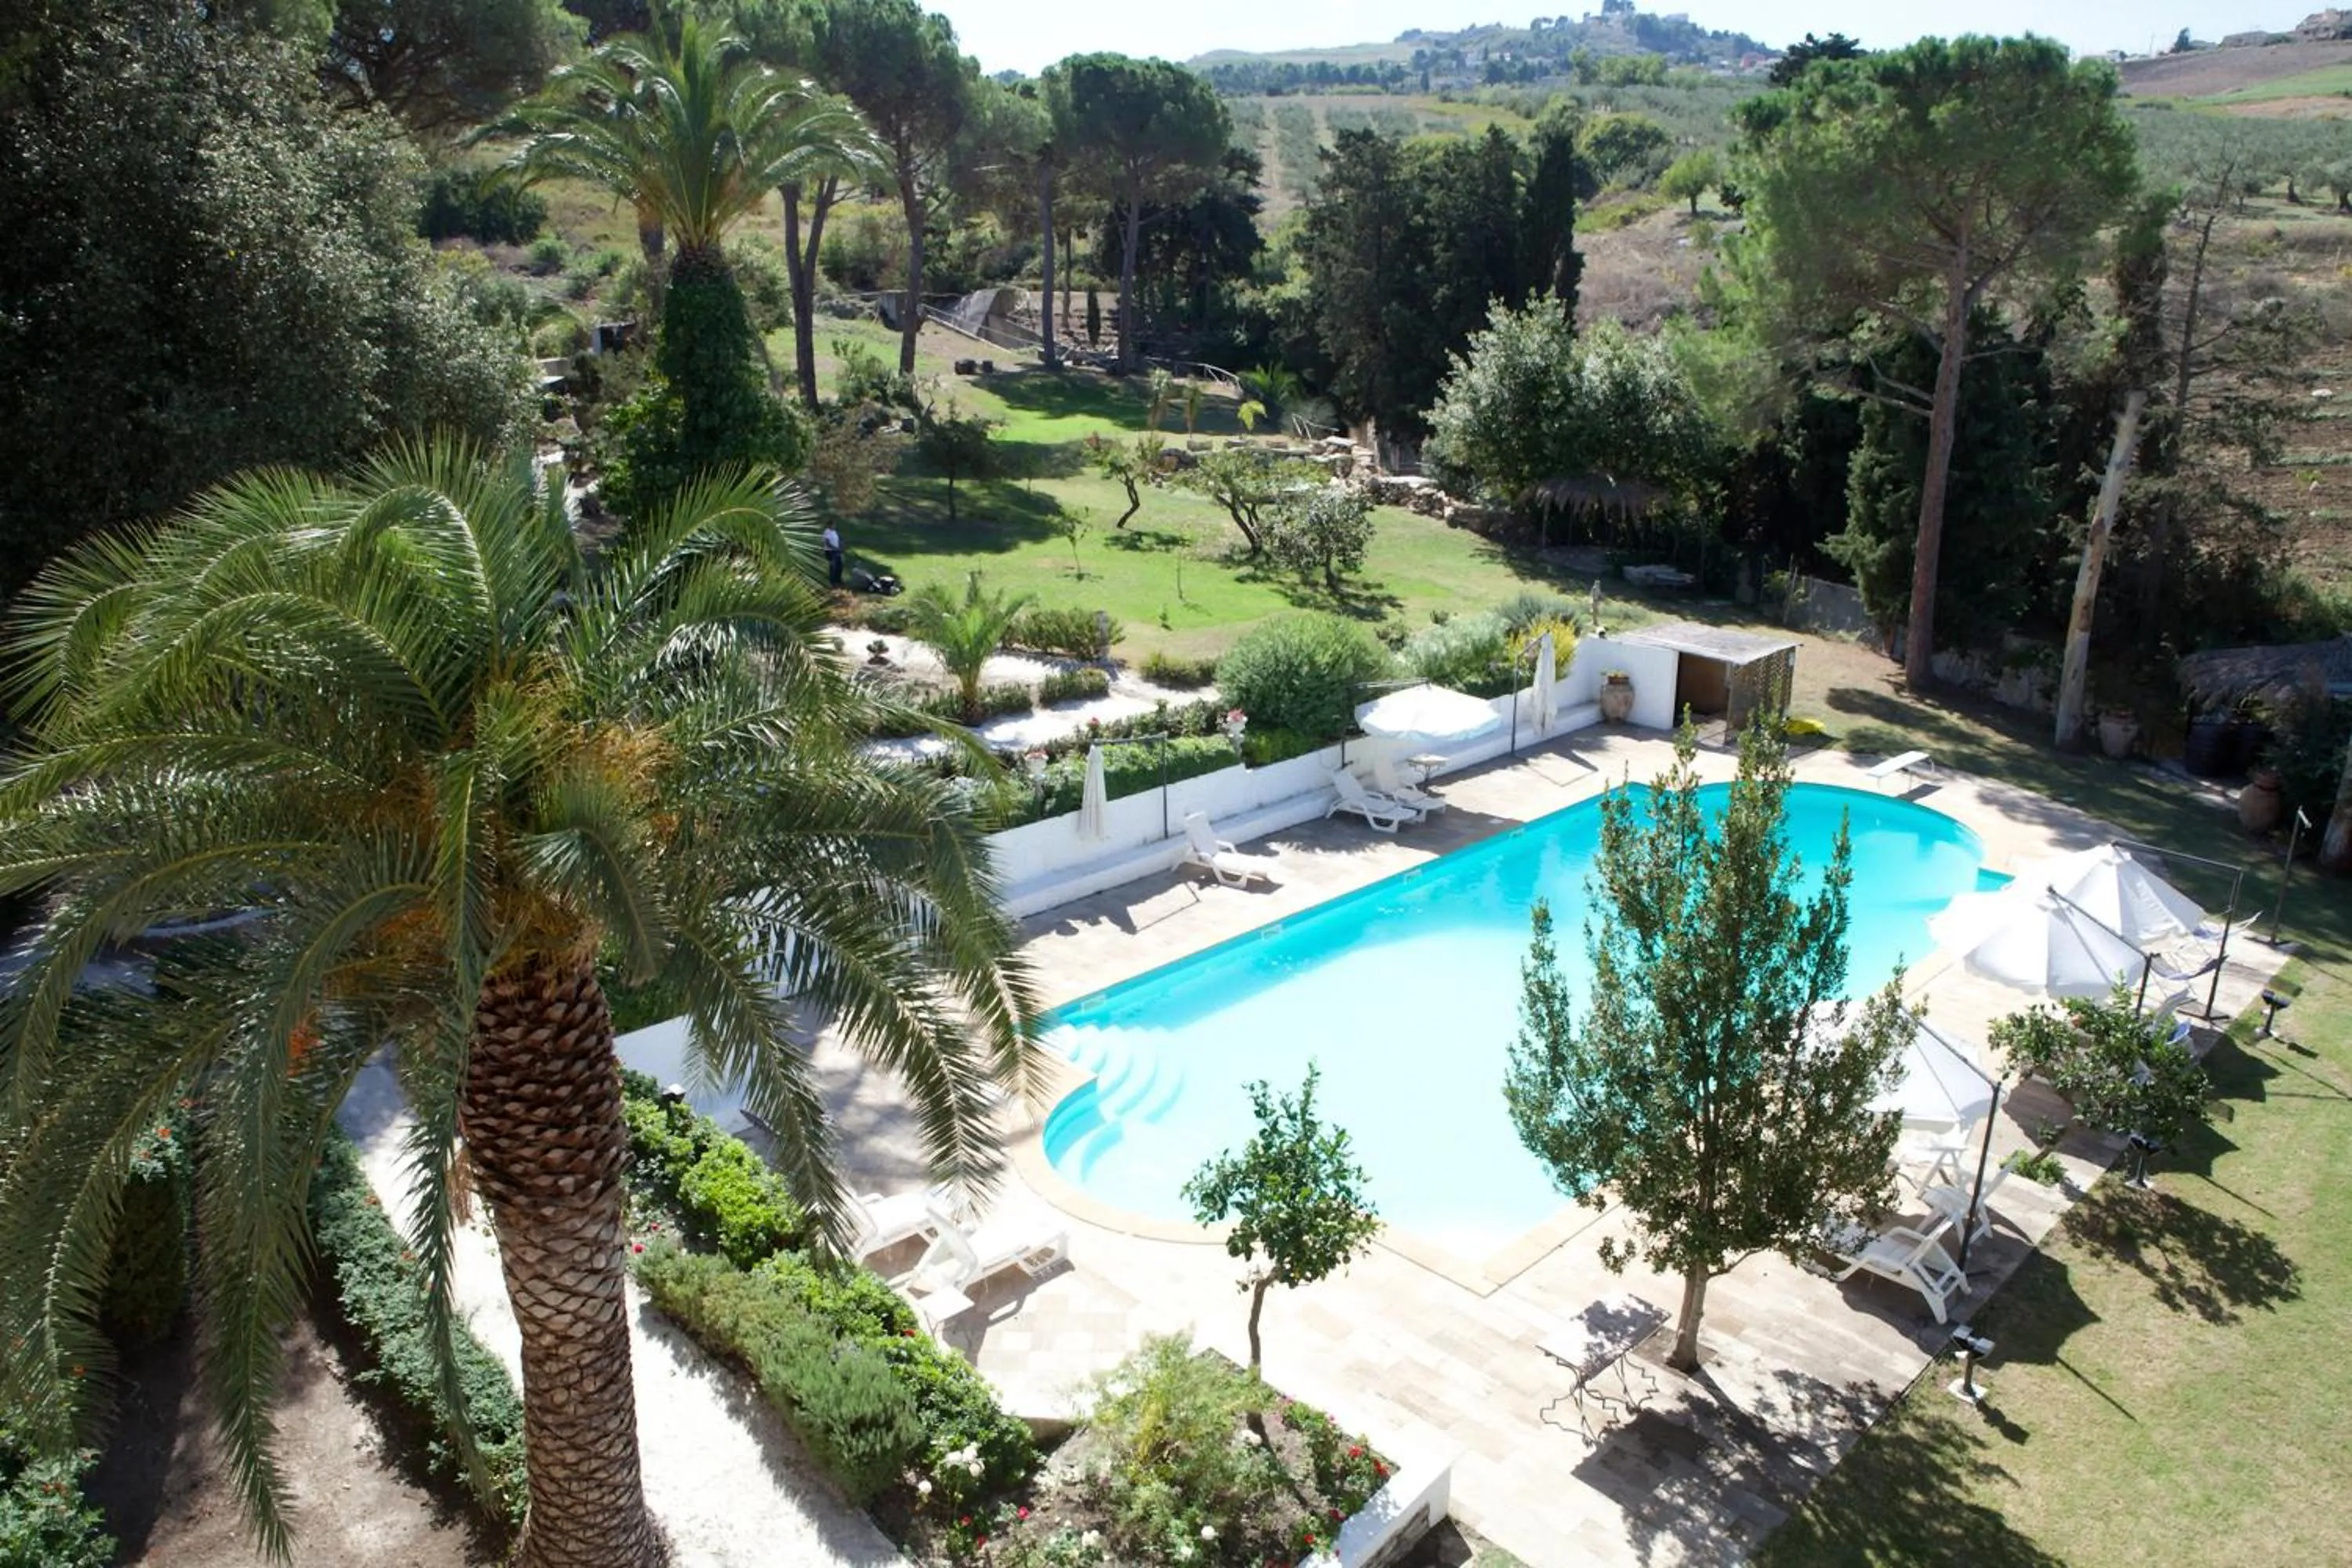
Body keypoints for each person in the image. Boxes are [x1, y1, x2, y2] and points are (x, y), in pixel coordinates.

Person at [822, 522, 844, 588]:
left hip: (836, 551)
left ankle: (838, 580)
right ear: (829, 525)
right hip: (830, 551)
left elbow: (837, 540)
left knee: (839, 565)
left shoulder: (834, 532)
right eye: (833, 525)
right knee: (833, 566)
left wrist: (839, 547)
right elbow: (827, 542)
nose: (834, 526)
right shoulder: (827, 532)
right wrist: (834, 548)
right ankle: (832, 581)